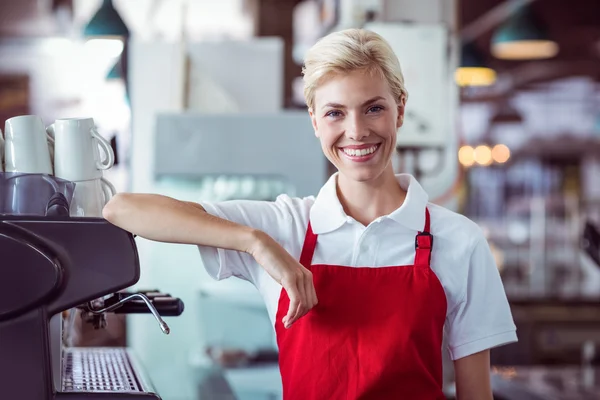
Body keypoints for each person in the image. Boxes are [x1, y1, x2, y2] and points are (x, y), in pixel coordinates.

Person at [103, 28, 517, 400]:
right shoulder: (285, 227)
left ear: (400, 109)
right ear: (315, 121)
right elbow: (123, 209)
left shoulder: (460, 240)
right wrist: (256, 242)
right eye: (336, 112)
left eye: (373, 108)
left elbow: (476, 394)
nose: (356, 131)